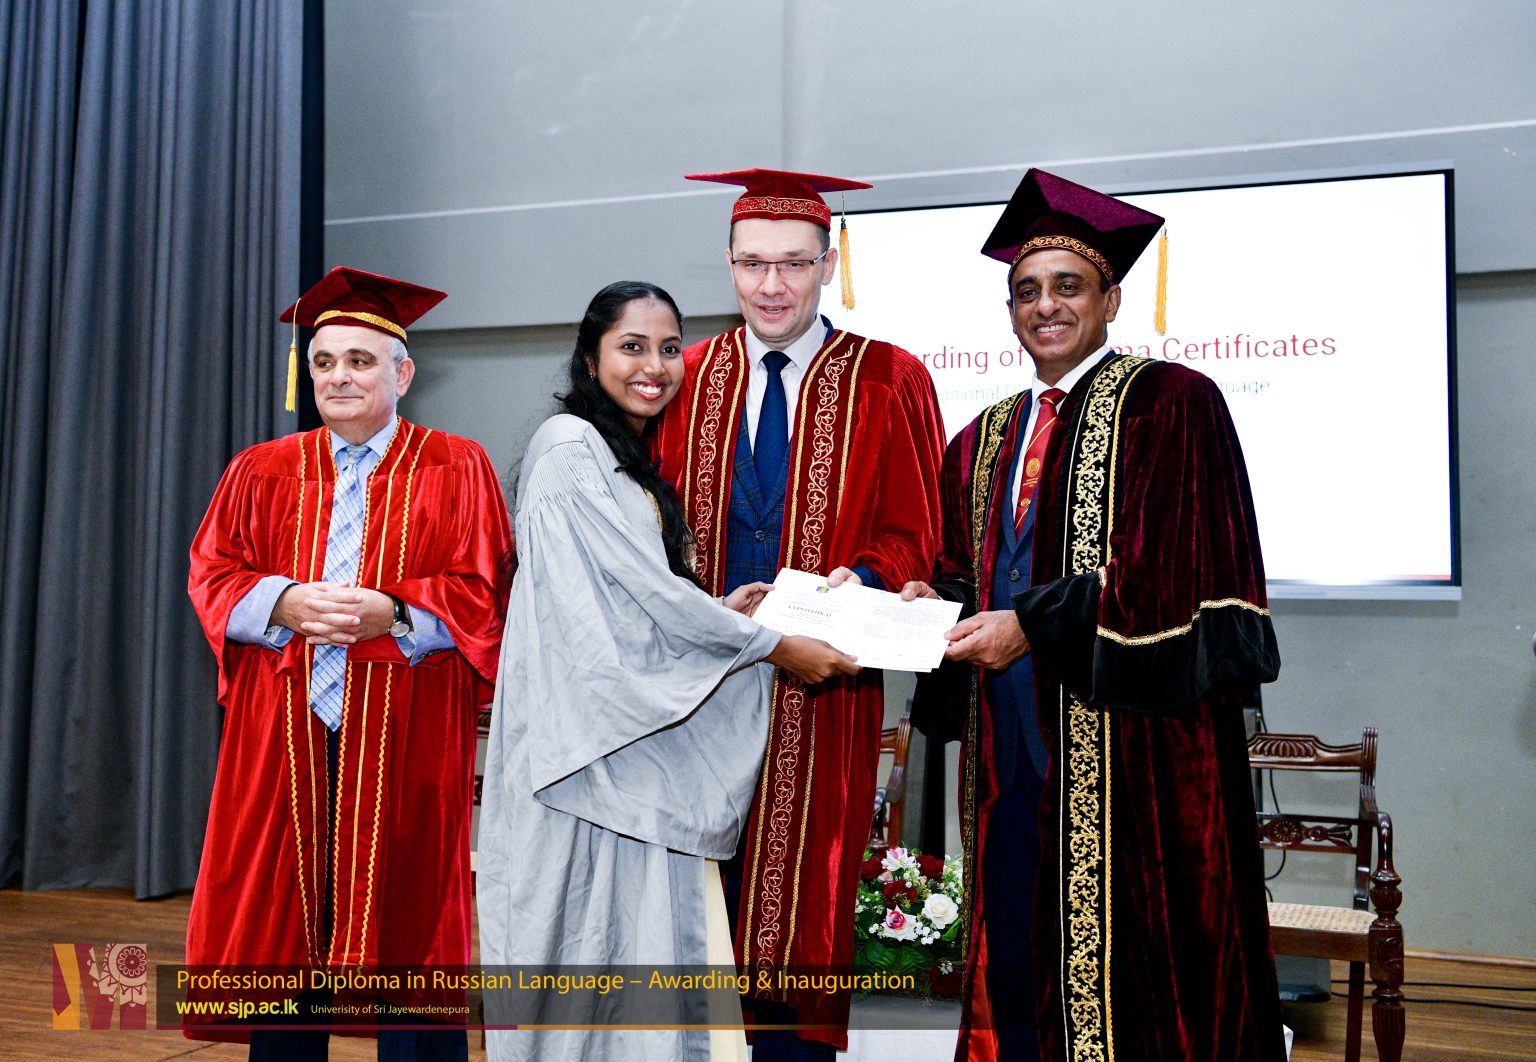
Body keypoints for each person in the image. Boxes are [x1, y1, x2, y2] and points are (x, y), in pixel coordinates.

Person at [904, 169, 1286, 1061]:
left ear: (1111, 299)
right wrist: (929, 603)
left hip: (1130, 747)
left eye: (1068, 286)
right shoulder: (980, 438)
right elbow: (965, 573)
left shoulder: (1173, 403)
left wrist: (1030, 626)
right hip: (1006, 748)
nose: (1046, 306)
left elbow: (1170, 570)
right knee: (1016, 951)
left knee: (1138, 961)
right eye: (1027, 291)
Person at [476, 281, 858, 1062]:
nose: (654, 366)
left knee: (627, 960)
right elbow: (632, 604)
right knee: (587, 964)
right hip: (589, 756)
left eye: (670, 347)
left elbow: (631, 600)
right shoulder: (569, 447)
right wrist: (768, 646)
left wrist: (721, 612)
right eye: (632, 346)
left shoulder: (620, 455)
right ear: (590, 359)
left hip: (626, 753)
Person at [653, 169, 947, 1058]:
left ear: (829, 264)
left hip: (825, 685)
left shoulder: (890, 377)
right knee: (689, 896)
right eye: (752, 263)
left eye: (793, 263)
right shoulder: (683, 376)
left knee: (800, 897)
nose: (772, 285)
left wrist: (864, 578)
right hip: (696, 684)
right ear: (729, 265)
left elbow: (918, 531)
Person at [185, 267, 513, 1061]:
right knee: (282, 915)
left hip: (407, 723)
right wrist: (283, 602)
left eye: (360, 361)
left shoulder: (456, 465)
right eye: (324, 362)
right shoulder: (261, 468)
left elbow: (487, 589)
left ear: (403, 374)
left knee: (410, 909)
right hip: (283, 724)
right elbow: (212, 572)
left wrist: (395, 612)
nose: (339, 376)